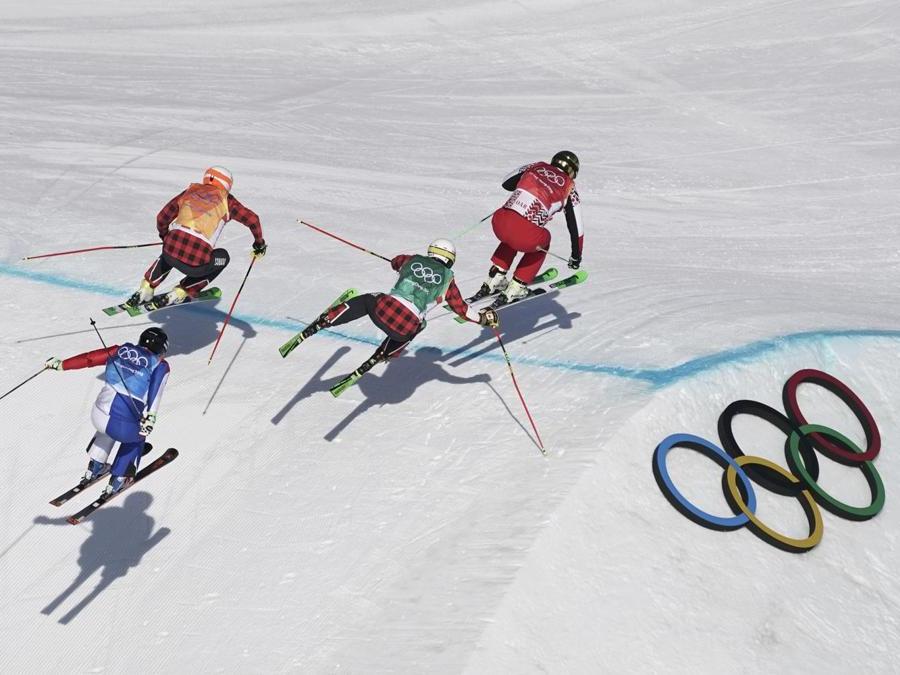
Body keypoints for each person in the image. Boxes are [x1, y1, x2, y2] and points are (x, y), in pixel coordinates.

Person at [299, 239, 499, 380]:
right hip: (404, 330)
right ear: (450, 260)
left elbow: (396, 261)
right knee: (420, 324)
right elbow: (462, 309)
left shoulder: (413, 260)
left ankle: (326, 320)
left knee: (369, 299)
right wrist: (483, 319)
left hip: (382, 311)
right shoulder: (448, 280)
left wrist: (400, 267)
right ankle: (384, 353)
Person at [44, 327, 170, 495]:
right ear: (161, 350)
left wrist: (61, 365)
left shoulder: (119, 350)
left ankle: (94, 467)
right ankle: (119, 478)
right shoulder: (161, 365)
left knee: (108, 429)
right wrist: (151, 418)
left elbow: (89, 359)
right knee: (137, 438)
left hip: (97, 416)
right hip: (121, 426)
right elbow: (156, 392)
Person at [125, 166, 267, 309]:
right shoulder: (228, 201)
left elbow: (162, 217)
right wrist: (259, 243)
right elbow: (253, 220)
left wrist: (165, 236)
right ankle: (182, 291)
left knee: (173, 243)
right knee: (223, 257)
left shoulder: (189, 192)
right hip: (197, 264)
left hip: (169, 254)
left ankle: (147, 286)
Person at [473, 150, 584, 304]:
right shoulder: (569, 188)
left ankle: (495, 277)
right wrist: (576, 257)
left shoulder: (537, 165)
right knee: (543, 239)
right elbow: (576, 228)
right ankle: (517, 286)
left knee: (513, 233)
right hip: (525, 235)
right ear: (573, 172)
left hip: (499, 222)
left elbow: (507, 183)